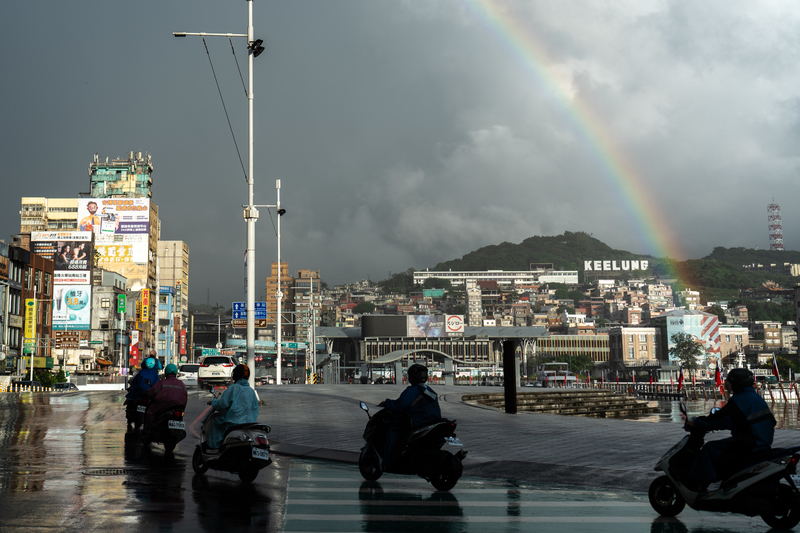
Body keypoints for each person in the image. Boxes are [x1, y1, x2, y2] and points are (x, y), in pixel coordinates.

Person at [687, 368, 776, 490]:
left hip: (749, 444)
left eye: (731, 383)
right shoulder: (756, 398)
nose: (729, 387)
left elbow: (720, 420)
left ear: (737, 383)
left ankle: (698, 485)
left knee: (710, 448)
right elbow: (772, 421)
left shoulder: (739, 401)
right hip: (762, 442)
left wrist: (697, 423)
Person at [380, 363, 442, 468]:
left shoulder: (412, 390)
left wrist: (387, 403)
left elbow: (400, 406)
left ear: (412, 377)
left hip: (418, 422)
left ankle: (389, 462)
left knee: (393, 430)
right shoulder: (429, 390)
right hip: (433, 421)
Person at [206, 364, 259, 450]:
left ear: (235, 375)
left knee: (215, 421)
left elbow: (222, 405)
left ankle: (214, 448)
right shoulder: (251, 391)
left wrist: (214, 402)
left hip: (233, 423)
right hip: (249, 423)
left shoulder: (233, 388)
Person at [143, 364, 188, 429]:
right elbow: (185, 398)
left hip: (162, 407)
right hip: (178, 407)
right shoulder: (181, 383)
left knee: (150, 413)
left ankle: (149, 430)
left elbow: (151, 393)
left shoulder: (162, 383)